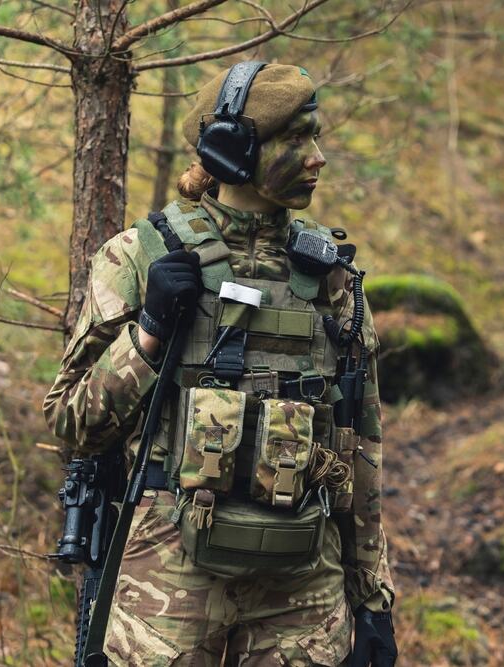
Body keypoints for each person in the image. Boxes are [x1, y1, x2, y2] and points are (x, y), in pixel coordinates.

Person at [44, 62, 397, 666]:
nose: (317, 158)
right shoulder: (141, 256)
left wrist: (373, 599)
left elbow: (360, 447)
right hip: (167, 588)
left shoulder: (332, 274)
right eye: (296, 139)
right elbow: (72, 421)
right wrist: (149, 332)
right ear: (235, 151)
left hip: (302, 594)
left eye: (316, 138)